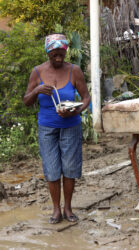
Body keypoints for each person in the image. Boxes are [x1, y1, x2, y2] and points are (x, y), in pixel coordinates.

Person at [23, 34, 91, 224]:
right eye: (55, 54)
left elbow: (86, 98)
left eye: (62, 53)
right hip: (47, 128)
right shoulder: (37, 72)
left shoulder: (74, 71)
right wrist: (36, 91)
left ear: (66, 51)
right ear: (48, 53)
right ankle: (56, 210)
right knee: (52, 169)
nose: (59, 57)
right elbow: (26, 101)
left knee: (69, 169)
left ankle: (68, 208)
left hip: (71, 126)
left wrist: (76, 110)